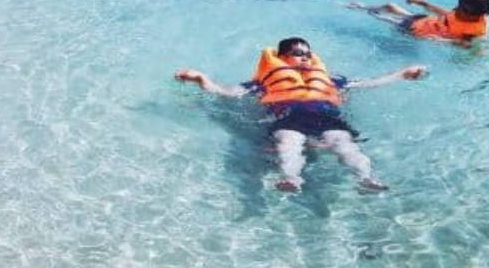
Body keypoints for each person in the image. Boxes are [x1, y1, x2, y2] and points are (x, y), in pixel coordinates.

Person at [175, 37, 427, 192]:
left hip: (327, 118)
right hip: (288, 118)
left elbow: (368, 83)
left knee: (343, 142)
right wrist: (201, 79)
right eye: (298, 53)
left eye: (307, 54)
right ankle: (291, 178)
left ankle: (365, 178)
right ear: (282, 57)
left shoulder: (332, 79)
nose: (305, 58)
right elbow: (228, 92)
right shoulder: (265, 81)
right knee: (289, 141)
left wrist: (402, 74)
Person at [347, 0, 489, 44]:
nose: (458, 10)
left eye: (464, 10)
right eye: (460, 4)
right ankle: (361, 7)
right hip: (424, 20)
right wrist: (422, 2)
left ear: (475, 16)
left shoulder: (475, 31)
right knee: (390, 6)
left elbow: (463, 45)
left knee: (381, 17)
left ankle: (365, 11)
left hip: (416, 31)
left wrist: (436, 40)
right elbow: (445, 14)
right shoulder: (463, 11)